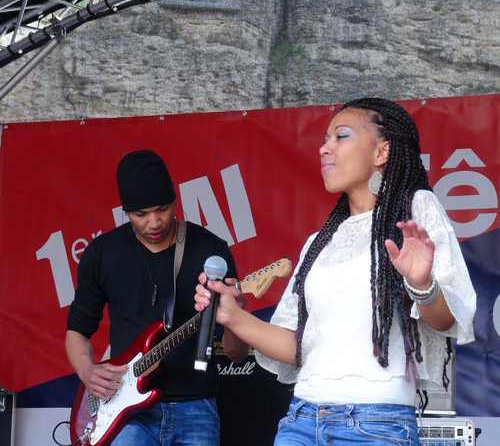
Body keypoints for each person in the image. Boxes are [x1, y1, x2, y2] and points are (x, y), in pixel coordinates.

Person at [195, 98, 476, 445]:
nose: (325, 148)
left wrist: (422, 285)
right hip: (301, 420)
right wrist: (233, 316)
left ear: (382, 151)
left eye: (341, 136)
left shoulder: (415, 209)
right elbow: (298, 346)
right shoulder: (319, 243)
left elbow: (446, 320)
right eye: (324, 139)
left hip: (375, 424)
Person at [66, 149, 248, 446]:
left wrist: (236, 319)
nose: (154, 222)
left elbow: (237, 354)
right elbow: (77, 330)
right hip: (125, 410)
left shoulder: (210, 252)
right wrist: (87, 372)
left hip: (196, 405)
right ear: (126, 211)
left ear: (175, 201)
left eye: (162, 209)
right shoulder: (101, 254)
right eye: (141, 214)